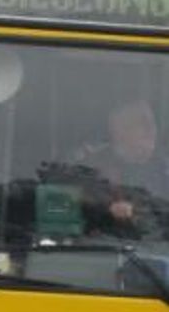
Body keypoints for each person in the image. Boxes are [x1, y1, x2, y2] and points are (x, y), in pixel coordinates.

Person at [72, 98, 169, 239]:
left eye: (151, 122)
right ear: (118, 131)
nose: (151, 129)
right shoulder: (92, 167)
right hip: (107, 251)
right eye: (141, 123)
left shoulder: (164, 167)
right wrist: (107, 208)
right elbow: (78, 204)